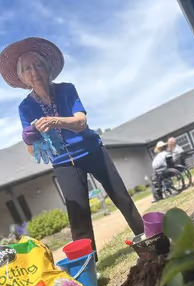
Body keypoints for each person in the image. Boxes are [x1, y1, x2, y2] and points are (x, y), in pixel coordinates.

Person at [0, 37, 144, 252]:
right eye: (27, 68)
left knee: (121, 196)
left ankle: (146, 239)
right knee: (78, 215)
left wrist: (56, 121)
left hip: (92, 150)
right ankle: (88, 266)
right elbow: (33, 151)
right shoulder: (26, 107)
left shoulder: (67, 89)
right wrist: (30, 138)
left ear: (47, 67)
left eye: (37, 64)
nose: (33, 71)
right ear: (22, 77)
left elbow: (81, 122)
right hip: (63, 163)